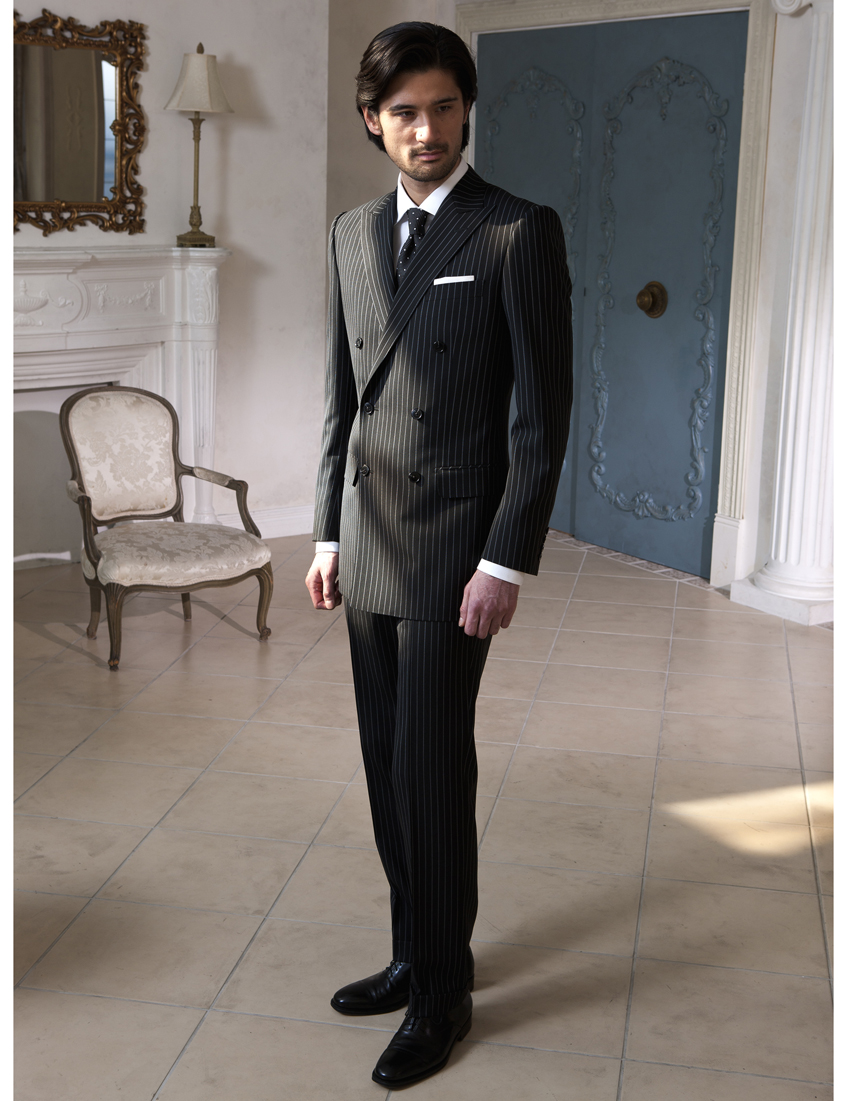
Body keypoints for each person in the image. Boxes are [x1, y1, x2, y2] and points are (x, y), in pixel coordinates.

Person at [305, 21, 573, 1089]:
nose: (427, 130)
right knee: (386, 767)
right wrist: (326, 530)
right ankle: (412, 952)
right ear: (372, 121)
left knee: (430, 768)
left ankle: (444, 994)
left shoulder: (514, 229)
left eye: (444, 108)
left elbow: (540, 421)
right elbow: (342, 400)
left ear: (467, 109)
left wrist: (504, 561)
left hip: (454, 548)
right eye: (405, 113)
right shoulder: (350, 232)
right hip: (367, 539)